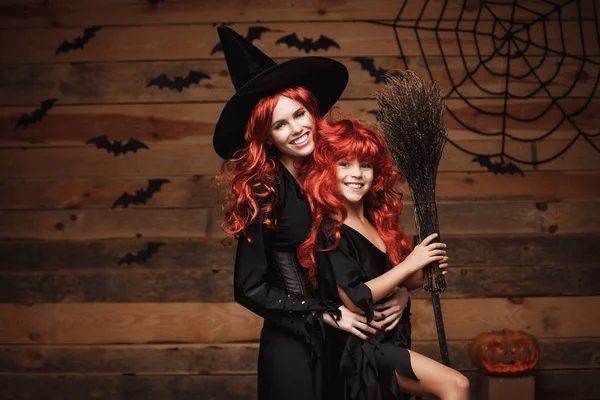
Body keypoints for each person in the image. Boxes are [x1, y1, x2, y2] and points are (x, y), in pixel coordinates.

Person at [213, 27, 409, 400]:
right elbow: (249, 287)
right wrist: (323, 313)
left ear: (312, 110)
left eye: (299, 114)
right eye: (279, 124)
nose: (296, 129)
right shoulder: (265, 191)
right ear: (265, 136)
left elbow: (368, 253)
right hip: (295, 346)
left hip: (353, 345)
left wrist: (400, 293)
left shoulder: (343, 174)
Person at [298, 117, 470, 400]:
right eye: (344, 164)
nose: (357, 174)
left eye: (365, 165)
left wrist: (419, 276)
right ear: (326, 171)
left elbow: (391, 279)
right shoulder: (331, 230)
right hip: (360, 350)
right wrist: (410, 264)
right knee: (456, 385)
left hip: (389, 339)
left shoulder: (375, 224)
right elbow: (355, 296)